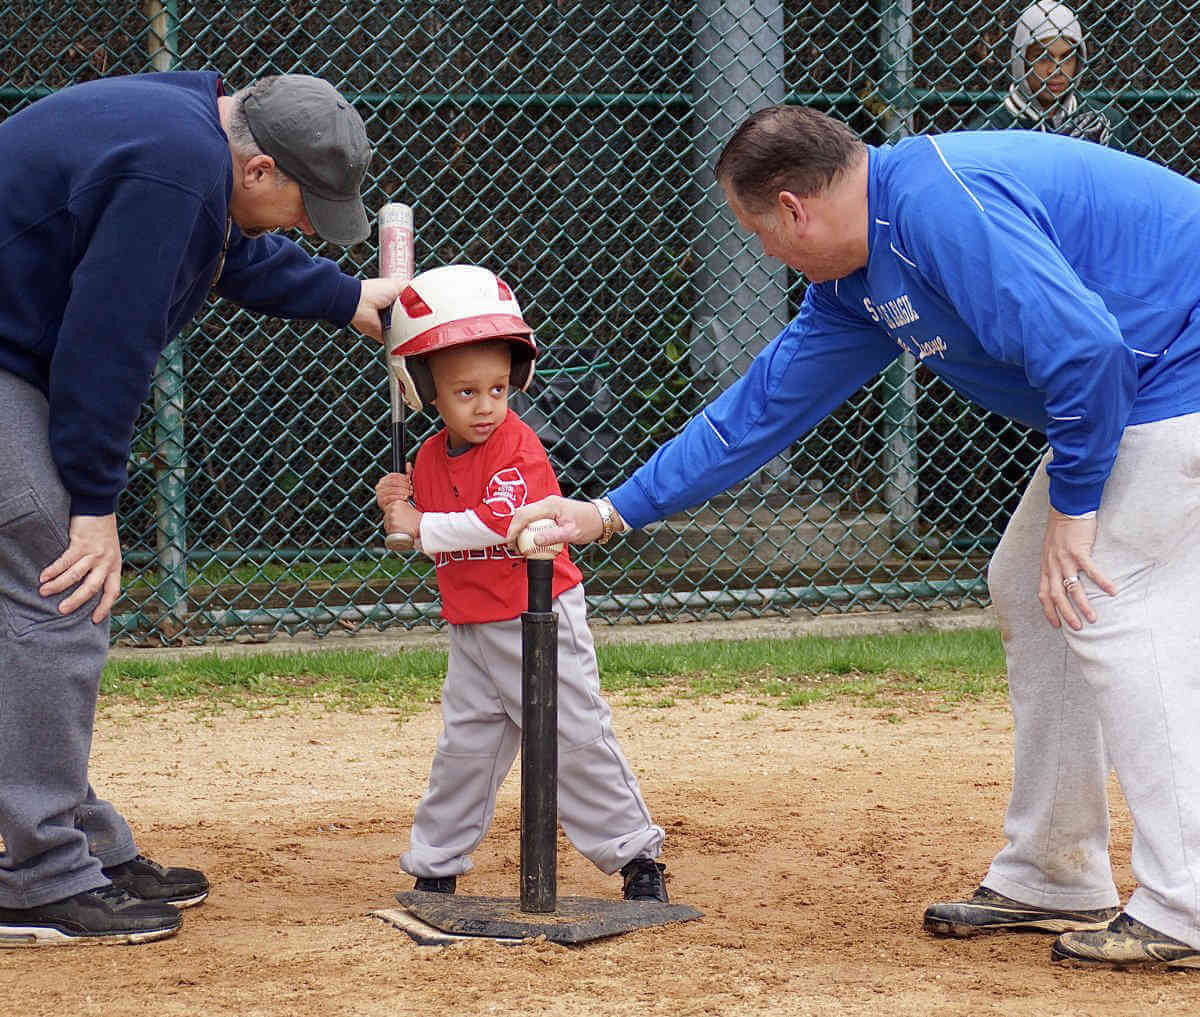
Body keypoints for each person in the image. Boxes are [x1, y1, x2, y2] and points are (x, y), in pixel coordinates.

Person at [508, 105, 1200, 970]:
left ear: (795, 208)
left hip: (1176, 369)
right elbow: (760, 411)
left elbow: (1089, 351)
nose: (764, 250)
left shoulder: (935, 206)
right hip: (1144, 382)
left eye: (760, 230)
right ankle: (1055, 871)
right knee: (1031, 581)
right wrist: (611, 511)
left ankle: (1186, 902)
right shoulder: (855, 278)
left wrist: (1079, 505)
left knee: (1111, 597)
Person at [0, 71, 404, 947]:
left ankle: (77, 845)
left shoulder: (190, 136)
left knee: (41, 599)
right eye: (306, 203)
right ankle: (35, 877)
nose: (308, 224)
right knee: (61, 584)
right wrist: (95, 506)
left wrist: (346, 299)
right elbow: (106, 345)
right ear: (258, 167)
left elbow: (226, 253)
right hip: (14, 372)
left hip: (16, 361)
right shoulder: (178, 169)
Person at [374, 264, 668, 903]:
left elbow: (503, 524)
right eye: (464, 392)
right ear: (422, 389)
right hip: (473, 625)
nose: (485, 406)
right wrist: (399, 510)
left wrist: (421, 524)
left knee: (575, 736)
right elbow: (436, 542)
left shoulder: (518, 444)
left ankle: (636, 859)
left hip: (538, 618)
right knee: (465, 748)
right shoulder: (424, 459)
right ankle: (436, 864)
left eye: (498, 389)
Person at [970, 1, 1131, 148]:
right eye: (1043, 57)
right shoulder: (989, 130)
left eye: (1067, 57)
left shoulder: (1108, 122)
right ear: (1021, 60)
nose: (1056, 70)